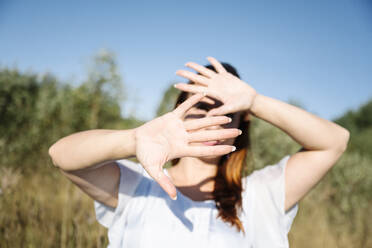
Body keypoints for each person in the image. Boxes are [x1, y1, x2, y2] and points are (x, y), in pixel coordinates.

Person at [48, 57, 350, 248]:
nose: (211, 119)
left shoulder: (262, 195)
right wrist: (133, 139)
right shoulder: (139, 188)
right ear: (179, 110)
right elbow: (62, 155)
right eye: (201, 107)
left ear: (242, 120)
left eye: (227, 110)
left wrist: (255, 102)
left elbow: (334, 141)